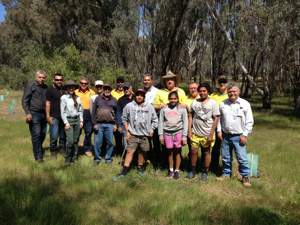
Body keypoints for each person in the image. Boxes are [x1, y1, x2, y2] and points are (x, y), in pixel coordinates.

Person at [113, 89, 158, 180]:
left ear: (144, 97)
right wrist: (127, 131)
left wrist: (152, 129)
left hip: (144, 135)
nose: (139, 96)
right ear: (135, 96)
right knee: (130, 151)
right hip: (132, 134)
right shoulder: (129, 106)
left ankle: (140, 167)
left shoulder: (149, 107)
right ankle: (124, 170)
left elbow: (155, 120)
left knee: (142, 152)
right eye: (137, 95)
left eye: (141, 95)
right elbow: (124, 118)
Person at [217, 84, 254, 187]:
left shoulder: (245, 104)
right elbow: (220, 119)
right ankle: (226, 174)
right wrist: (219, 131)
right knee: (225, 157)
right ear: (227, 92)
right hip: (225, 135)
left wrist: (245, 134)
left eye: (234, 91)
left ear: (239, 92)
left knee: (242, 158)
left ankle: (245, 177)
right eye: (230, 92)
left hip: (239, 136)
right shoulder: (223, 104)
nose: (232, 93)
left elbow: (250, 121)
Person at [153, 70, 187, 169]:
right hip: (165, 124)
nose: (169, 81)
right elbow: (154, 105)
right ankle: (168, 167)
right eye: (167, 80)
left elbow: (184, 105)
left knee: (177, 150)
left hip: (178, 126)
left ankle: (177, 169)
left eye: (171, 79)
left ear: (174, 80)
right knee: (167, 150)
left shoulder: (180, 91)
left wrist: (181, 105)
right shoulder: (160, 92)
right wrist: (160, 106)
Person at [187, 83, 220, 181]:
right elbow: (190, 116)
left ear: (208, 91)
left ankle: (205, 171)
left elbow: (216, 118)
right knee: (193, 152)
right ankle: (193, 170)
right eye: (200, 91)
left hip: (207, 134)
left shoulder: (213, 103)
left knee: (206, 152)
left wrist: (211, 134)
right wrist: (189, 131)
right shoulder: (194, 102)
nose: (202, 93)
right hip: (195, 133)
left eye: (204, 91)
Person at [158, 91, 188, 179]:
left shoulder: (182, 108)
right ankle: (171, 170)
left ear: (178, 99)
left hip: (178, 132)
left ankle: (177, 170)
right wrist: (160, 135)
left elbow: (185, 122)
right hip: (167, 133)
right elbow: (160, 122)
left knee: (178, 152)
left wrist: (184, 136)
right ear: (168, 99)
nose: (173, 100)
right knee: (170, 152)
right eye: (171, 98)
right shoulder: (164, 108)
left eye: (175, 98)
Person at [22, 70, 48, 162]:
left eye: (43, 77)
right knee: (36, 134)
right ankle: (38, 157)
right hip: (34, 113)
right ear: (36, 77)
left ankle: (37, 147)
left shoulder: (45, 87)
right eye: (39, 77)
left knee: (43, 133)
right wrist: (27, 113)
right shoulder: (30, 85)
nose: (41, 79)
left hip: (44, 114)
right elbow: (25, 100)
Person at [92, 84, 117, 165]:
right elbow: (93, 112)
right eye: (105, 89)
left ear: (111, 90)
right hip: (99, 124)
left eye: (108, 89)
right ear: (103, 89)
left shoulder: (114, 100)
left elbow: (117, 113)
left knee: (110, 143)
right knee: (97, 143)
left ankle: (108, 158)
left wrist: (115, 124)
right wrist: (94, 123)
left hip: (110, 124)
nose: (107, 90)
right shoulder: (98, 99)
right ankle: (97, 158)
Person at [60, 80, 83, 166]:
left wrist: (81, 121)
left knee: (76, 140)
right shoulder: (64, 98)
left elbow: (80, 110)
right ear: (66, 88)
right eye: (69, 87)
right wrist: (66, 123)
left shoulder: (77, 98)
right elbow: (62, 112)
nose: (71, 88)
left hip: (77, 120)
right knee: (70, 141)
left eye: (72, 87)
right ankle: (67, 158)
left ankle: (74, 157)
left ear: (74, 88)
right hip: (69, 121)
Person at [209, 76, 228, 174]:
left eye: (224, 82)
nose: (222, 84)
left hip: (226, 125)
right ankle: (213, 166)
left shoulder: (230, 95)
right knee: (215, 147)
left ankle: (226, 169)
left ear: (227, 83)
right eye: (220, 82)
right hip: (214, 124)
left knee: (226, 148)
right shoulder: (213, 95)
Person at [45, 73, 66, 158]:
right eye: (57, 80)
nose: (59, 81)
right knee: (54, 136)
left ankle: (62, 149)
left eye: (60, 80)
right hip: (54, 116)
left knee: (63, 135)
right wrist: (48, 116)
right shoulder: (49, 90)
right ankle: (53, 151)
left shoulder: (64, 89)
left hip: (64, 117)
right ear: (53, 80)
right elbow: (47, 103)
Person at [75, 77, 95, 157]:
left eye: (85, 83)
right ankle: (75, 149)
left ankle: (87, 149)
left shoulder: (92, 92)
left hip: (88, 113)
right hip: (78, 113)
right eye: (82, 83)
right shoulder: (75, 92)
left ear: (88, 84)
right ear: (79, 83)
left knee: (88, 133)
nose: (83, 85)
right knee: (77, 133)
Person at [116, 82, 134, 156]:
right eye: (125, 89)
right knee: (126, 141)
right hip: (125, 124)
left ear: (131, 88)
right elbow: (118, 113)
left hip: (136, 124)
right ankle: (126, 156)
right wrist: (119, 125)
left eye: (127, 88)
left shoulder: (136, 97)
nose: (126, 90)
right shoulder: (120, 100)